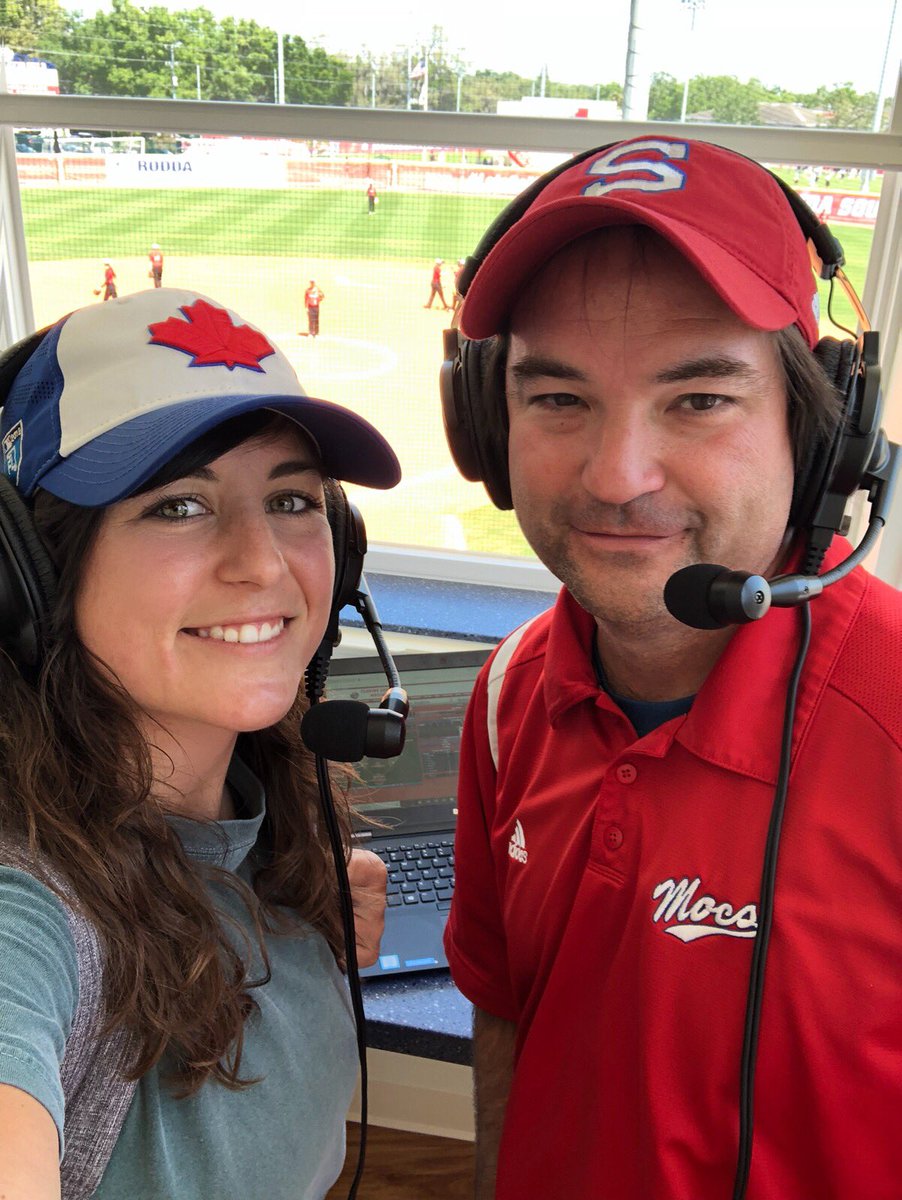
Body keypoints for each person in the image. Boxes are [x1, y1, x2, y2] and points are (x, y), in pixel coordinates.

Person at [442, 137, 902, 1199]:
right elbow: (506, 1012)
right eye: (557, 399)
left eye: (698, 399)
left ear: (821, 431)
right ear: (484, 422)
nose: (616, 477)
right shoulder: (509, 695)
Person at [0, 286, 402, 1198]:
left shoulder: (270, 840)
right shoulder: (25, 913)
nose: (262, 561)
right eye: (179, 506)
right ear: (29, 576)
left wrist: (291, 919)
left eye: (293, 498)